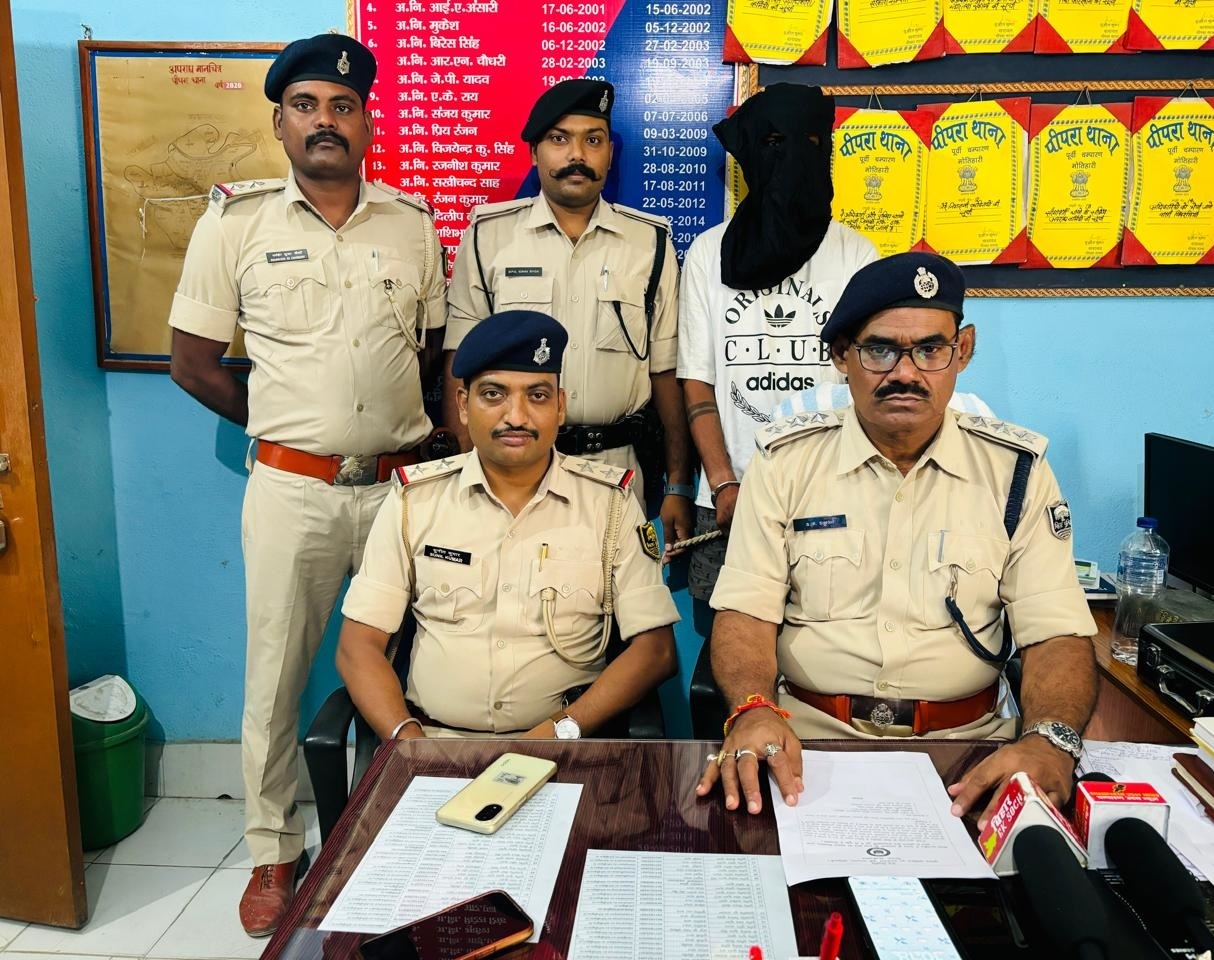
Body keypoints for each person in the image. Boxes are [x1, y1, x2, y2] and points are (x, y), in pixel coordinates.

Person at [166, 34, 446, 936]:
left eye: (343, 106)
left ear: (368, 122)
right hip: (293, 493)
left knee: (422, 667)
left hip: (401, 492)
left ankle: (412, 823)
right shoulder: (235, 224)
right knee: (276, 674)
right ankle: (273, 852)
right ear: (280, 122)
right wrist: (286, 425)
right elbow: (192, 363)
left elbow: (431, 358)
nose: (326, 121)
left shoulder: (412, 224)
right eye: (306, 106)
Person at [694, 252, 1098, 830]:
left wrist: (1048, 740)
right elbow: (745, 614)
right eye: (880, 350)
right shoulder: (785, 463)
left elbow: (1055, 633)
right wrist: (753, 710)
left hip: (970, 751)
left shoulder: (1017, 474)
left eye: (931, 349)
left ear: (963, 351)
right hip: (806, 746)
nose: (905, 373)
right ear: (841, 356)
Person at [336, 311, 679, 745]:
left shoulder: (610, 504)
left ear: (560, 406)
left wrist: (556, 734)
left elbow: (655, 650)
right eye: (494, 394)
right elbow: (358, 646)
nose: (516, 416)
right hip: (435, 744)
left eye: (537, 395)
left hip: (565, 746)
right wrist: (408, 742)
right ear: (463, 405)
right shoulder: (414, 501)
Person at [441, 79, 694, 548]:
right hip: (510, 466)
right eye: (559, 139)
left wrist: (678, 483)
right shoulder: (488, 236)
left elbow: (665, 372)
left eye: (593, 140)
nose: (577, 154)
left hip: (616, 471)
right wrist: (464, 471)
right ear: (534, 152)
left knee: (615, 592)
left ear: (609, 154)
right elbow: (460, 364)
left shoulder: (650, 243)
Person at [676, 82, 878, 610]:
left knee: (827, 634)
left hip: (831, 494)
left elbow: (868, 377)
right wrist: (723, 482)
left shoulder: (856, 254)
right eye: (773, 144)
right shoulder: (708, 255)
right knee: (728, 637)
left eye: (810, 143)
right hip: (729, 496)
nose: (793, 160)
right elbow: (696, 378)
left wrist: (835, 487)